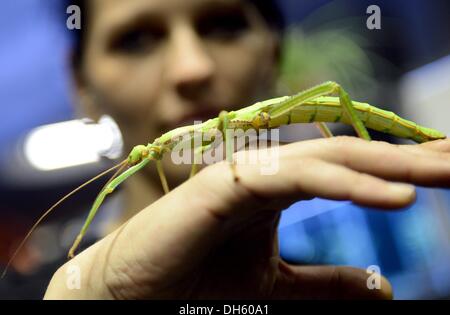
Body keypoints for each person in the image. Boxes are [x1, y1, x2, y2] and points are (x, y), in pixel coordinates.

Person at [33, 0, 450, 299]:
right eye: (136, 39)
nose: (192, 69)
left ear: (275, 52)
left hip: (286, 110)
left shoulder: (303, 277)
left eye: (224, 25)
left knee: (334, 94)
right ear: (81, 86)